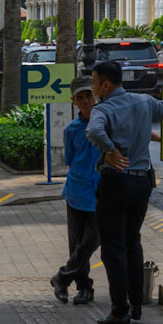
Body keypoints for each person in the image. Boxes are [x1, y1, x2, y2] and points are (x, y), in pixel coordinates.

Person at [86, 57, 163, 324]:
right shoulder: (143, 102)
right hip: (142, 183)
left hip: (115, 183)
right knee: (132, 242)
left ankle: (120, 311)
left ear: (106, 84)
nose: (94, 88)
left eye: (95, 83)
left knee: (113, 248)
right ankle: (137, 305)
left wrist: (109, 150)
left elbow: (94, 131)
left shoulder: (102, 109)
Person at [52, 84, 101, 305]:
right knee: (77, 243)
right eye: (80, 98)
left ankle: (62, 277)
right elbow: (70, 160)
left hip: (101, 193)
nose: (86, 101)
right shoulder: (72, 129)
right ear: (74, 102)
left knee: (91, 241)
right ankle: (83, 287)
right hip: (77, 191)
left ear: (96, 96)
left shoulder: (107, 124)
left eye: (88, 96)